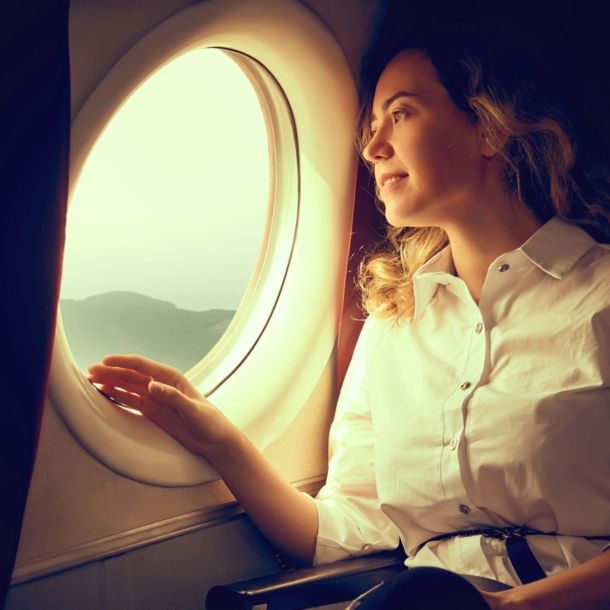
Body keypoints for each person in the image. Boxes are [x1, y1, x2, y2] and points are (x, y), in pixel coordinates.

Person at [87, 22, 610, 609]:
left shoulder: (601, 296)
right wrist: (219, 442)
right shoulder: (396, 322)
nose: (372, 146)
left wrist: (504, 608)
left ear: (490, 127)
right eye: (372, 126)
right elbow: (347, 530)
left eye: (402, 114)